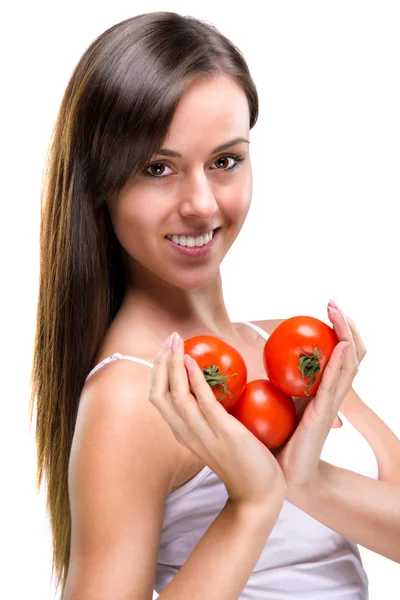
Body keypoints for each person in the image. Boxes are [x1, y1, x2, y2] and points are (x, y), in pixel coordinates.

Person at [29, 11, 400, 600]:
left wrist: (308, 481)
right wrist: (251, 504)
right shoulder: (132, 395)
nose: (201, 204)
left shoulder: (294, 342)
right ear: (102, 181)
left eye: (225, 160)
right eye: (158, 168)